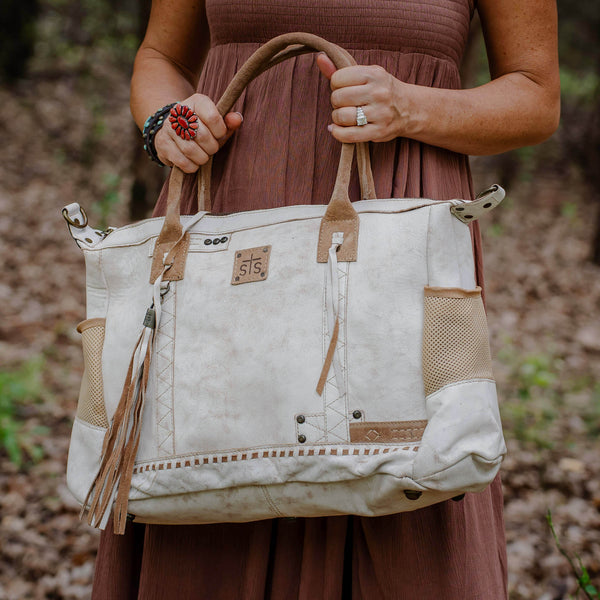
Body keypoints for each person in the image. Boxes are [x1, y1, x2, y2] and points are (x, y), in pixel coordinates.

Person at [91, 1, 559, 598]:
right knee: (206, 475)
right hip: (230, 233)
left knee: (408, 481)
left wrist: (411, 105)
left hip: (394, 238)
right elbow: (160, 58)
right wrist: (169, 125)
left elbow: (537, 97)